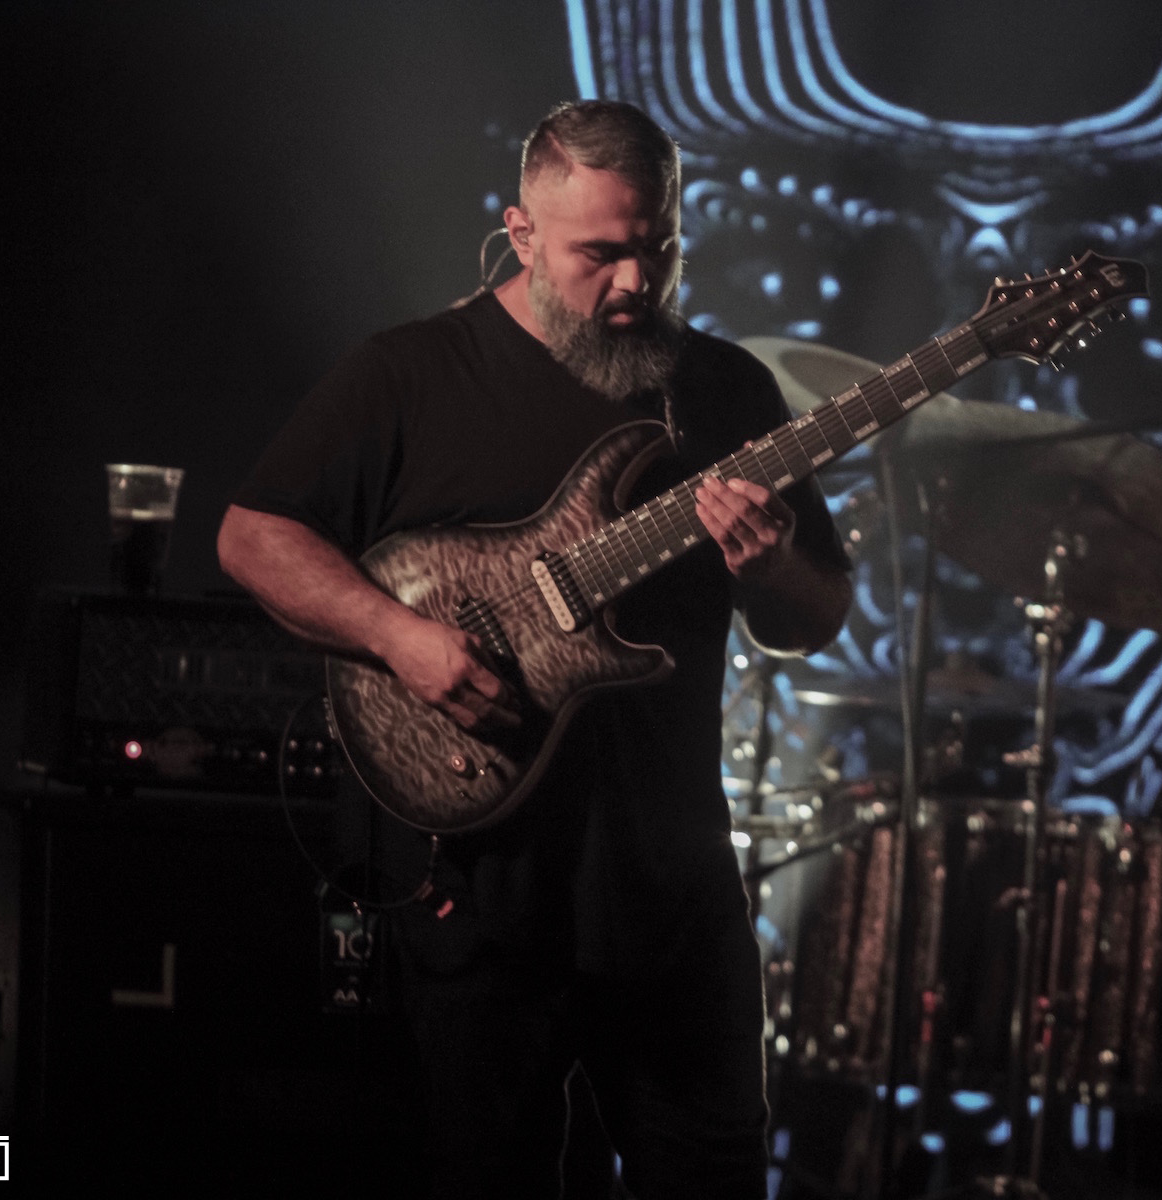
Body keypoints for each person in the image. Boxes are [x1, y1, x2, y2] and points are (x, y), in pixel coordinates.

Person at [216, 100, 852, 1197]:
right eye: (599, 254)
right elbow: (252, 536)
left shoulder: (723, 390)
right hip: (481, 893)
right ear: (520, 233)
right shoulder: (412, 373)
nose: (636, 282)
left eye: (658, 248)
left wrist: (773, 563)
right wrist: (398, 637)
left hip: (671, 886)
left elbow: (815, 616)